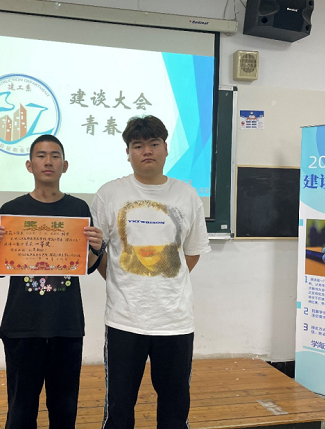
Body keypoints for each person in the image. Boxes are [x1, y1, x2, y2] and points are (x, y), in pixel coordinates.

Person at [91, 115, 211, 429]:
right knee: (119, 407)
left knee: (174, 407)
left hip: (175, 321)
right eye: (138, 145)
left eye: (154, 144)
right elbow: (98, 252)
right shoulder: (109, 194)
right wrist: (123, 279)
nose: (147, 151)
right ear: (128, 152)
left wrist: (163, 276)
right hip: (124, 319)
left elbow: (191, 253)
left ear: (166, 148)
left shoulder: (187, 195)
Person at [0, 134, 104, 429]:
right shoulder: (11, 210)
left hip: (66, 324)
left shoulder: (78, 210)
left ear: (65, 165)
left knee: (64, 409)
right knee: (20, 410)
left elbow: (87, 267)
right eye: (40, 155)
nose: (48, 161)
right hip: (22, 324)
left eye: (54, 156)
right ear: (29, 165)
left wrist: (97, 249)